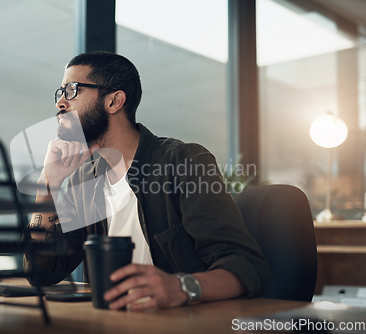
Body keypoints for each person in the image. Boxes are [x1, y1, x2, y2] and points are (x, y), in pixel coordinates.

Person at [23, 51, 272, 311]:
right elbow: (42, 273)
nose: (60, 103)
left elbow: (247, 267)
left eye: (72, 90)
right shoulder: (83, 181)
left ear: (114, 101)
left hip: (184, 324)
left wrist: (180, 287)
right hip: (111, 323)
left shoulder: (183, 161)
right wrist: (48, 185)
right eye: (60, 92)